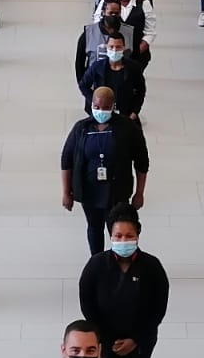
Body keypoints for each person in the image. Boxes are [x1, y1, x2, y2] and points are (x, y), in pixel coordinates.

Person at [77, 203, 168, 358]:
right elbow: (88, 307)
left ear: (138, 235)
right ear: (110, 236)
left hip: (140, 343)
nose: (123, 240)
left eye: (129, 236)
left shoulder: (152, 267)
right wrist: (105, 341)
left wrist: (136, 339)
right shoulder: (95, 266)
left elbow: (157, 309)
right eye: (118, 236)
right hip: (105, 345)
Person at [61, 87, 151, 256]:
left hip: (117, 192)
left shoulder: (128, 128)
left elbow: (142, 162)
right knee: (94, 228)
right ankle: (97, 260)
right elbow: (66, 160)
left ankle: (119, 258)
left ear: (113, 106)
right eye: (96, 106)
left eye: (105, 107)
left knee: (118, 229)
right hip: (90, 191)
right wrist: (66, 192)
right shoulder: (81, 128)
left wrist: (140, 193)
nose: (100, 111)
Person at [78, 33, 146, 120]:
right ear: (106, 47)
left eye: (118, 47)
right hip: (102, 114)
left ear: (124, 48)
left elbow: (141, 91)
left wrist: (134, 112)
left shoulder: (133, 68)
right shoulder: (97, 67)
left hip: (125, 114)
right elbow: (83, 85)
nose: (114, 50)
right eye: (111, 47)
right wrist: (95, 101)